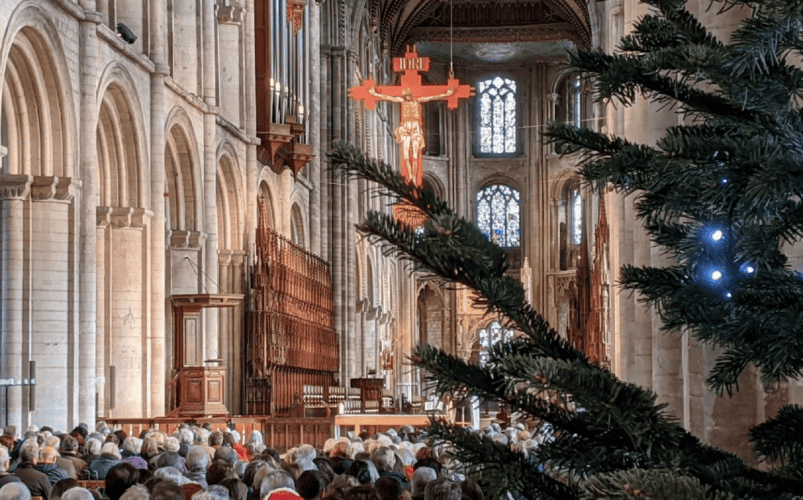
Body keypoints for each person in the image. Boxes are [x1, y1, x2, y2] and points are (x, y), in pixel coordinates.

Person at [366, 86, 455, 185]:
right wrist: (375, 94)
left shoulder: (418, 101)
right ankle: (410, 175)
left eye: (408, 96)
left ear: (411, 95)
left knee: (416, 157)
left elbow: (432, 97)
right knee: (406, 157)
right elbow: (389, 97)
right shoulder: (402, 101)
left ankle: (414, 177)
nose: (407, 98)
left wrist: (447, 94)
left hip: (416, 131)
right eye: (405, 96)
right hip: (406, 130)